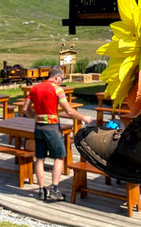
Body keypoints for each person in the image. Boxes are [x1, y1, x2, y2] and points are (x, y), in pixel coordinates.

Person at [22, 67, 93, 200]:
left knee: (40, 158)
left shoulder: (35, 88)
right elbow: (69, 111)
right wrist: (84, 118)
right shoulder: (57, 89)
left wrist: (35, 117)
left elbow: (25, 109)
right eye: (62, 78)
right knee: (59, 157)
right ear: (56, 77)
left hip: (38, 127)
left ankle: (41, 190)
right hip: (52, 127)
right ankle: (54, 190)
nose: (62, 81)